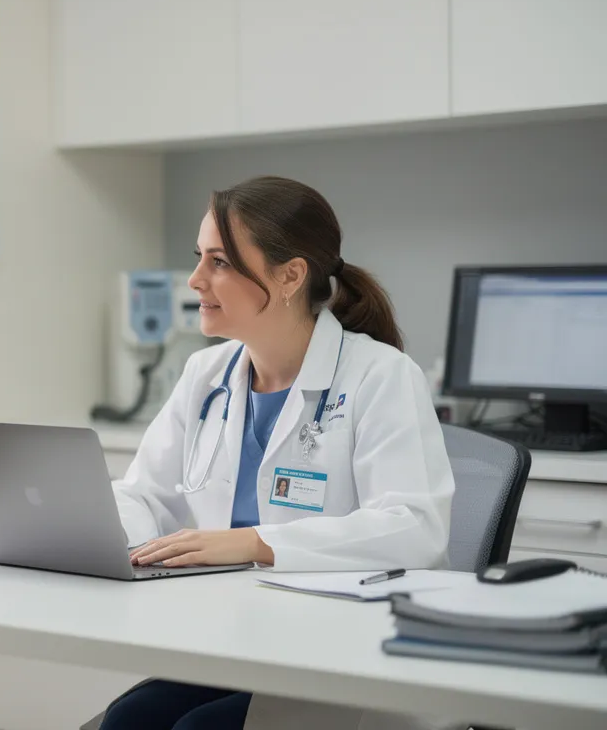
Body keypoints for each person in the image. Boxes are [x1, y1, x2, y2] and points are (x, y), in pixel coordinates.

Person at [99, 176, 454, 730]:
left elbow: (415, 527)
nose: (195, 280)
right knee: (129, 721)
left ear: (290, 276)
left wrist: (258, 543)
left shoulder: (380, 377)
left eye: (219, 262)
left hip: (342, 651)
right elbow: (146, 494)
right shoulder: (206, 374)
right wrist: (98, 537)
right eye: (201, 258)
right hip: (235, 638)